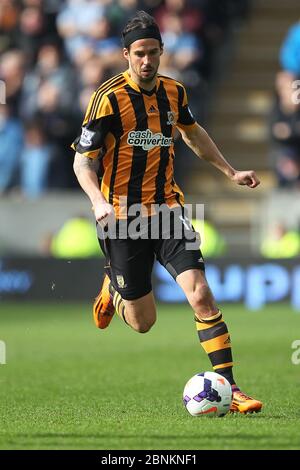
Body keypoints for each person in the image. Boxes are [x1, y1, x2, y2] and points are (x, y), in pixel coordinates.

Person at [72, 10, 262, 414]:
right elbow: (82, 162)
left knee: (202, 295)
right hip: (122, 218)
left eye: (153, 52)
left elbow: (192, 133)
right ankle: (115, 289)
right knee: (143, 322)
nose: (146, 61)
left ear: (162, 51)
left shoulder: (175, 93)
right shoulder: (107, 99)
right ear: (125, 54)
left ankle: (230, 385)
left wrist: (230, 172)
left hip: (167, 210)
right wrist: (98, 201)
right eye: (139, 53)